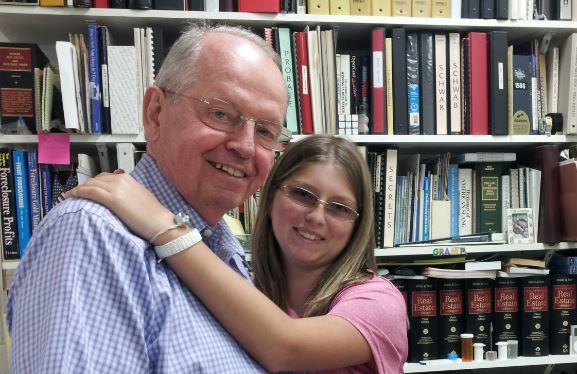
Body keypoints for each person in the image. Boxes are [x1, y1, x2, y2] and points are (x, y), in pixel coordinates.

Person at [7, 24, 290, 372]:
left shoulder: (221, 240)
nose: (246, 147)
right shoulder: (94, 237)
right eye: (220, 113)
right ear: (155, 113)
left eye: (265, 131)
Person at [65, 135, 409, 373]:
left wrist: (163, 224)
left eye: (339, 208)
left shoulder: (379, 301)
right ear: (271, 199)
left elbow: (284, 347)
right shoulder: (250, 287)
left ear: (356, 225)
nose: (316, 217)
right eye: (303, 195)